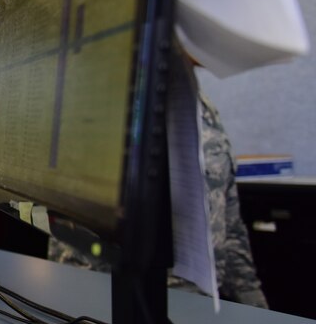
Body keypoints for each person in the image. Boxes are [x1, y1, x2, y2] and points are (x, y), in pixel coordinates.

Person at [49, 86, 268, 308]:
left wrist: (254, 304)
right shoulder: (107, 99)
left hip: (200, 306)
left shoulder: (201, 106)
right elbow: (79, 235)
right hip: (122, 308)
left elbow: (228, 222)